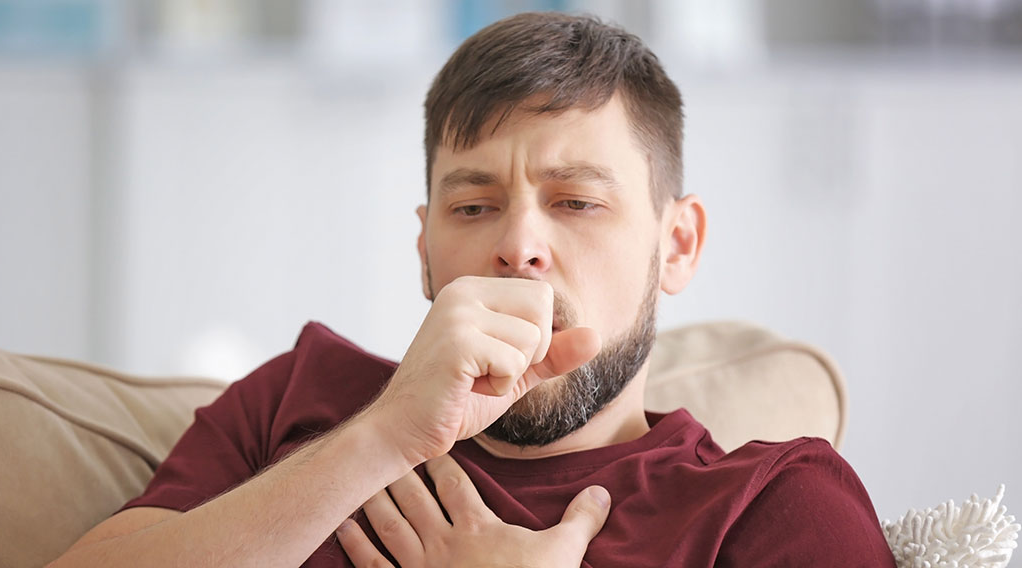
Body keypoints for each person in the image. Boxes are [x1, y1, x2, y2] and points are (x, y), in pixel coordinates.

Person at [49, 12, 896, 568]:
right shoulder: (295, 400)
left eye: (577, 202)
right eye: (474, 205)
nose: (520, 245)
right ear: (426, 250)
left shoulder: (774, 504)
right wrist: (379, 438)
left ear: (676, 246)